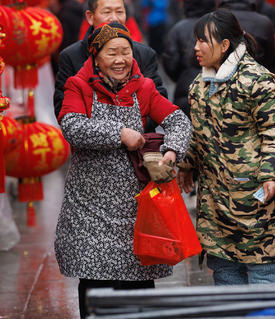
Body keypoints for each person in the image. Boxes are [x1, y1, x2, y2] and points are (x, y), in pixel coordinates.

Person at [55, 22, 192, 318]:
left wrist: (172, 150)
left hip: (135, 207)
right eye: (112, 53)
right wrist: (120, 133)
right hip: (89, 206)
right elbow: (72, 127)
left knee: (138, 282)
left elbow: (178, 120)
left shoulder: (143, 88)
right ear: (95, 56)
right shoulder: (78, 86)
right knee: (94, 280)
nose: (120, 60)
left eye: (126, 52)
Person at [177, 8, 275, 286]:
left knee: (266, 280)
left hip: (257, 200)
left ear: (225, 45)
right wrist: (187, 164)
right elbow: (200, 133)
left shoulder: (259, 81)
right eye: (195, 41)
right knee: (227, 281)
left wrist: (269, 175)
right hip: (217, 205)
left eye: (202, 41)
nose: (196, 47)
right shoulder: (199, 86)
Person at [53, 0, 166, 119]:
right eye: (106, 12)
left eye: (119, 12)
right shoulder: (71, 56)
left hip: (139, 137)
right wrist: (111, 132)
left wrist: (135, 127)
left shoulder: (144, 54)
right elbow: (63, 107)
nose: (114, 18)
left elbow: (159, 102)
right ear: (90, 17)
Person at [162, 0, 216, 116]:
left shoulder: (178, 29)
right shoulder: (219, 26)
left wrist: (183, 76)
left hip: (186, 90)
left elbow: (170, 63)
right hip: (216, 90)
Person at [218, 0, 275, 75]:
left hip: (222, 84)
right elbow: (270, 59)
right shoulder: (264, 23)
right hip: (256, 83)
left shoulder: (216, 19)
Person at [47, 0, 85, 73]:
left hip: (69, 48)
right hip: (80, 45)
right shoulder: (77, 6)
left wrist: (60, 54)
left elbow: (65, 36)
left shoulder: (64, 12)